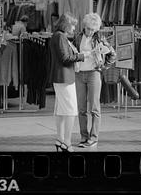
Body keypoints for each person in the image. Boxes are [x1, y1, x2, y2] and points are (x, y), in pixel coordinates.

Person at [73, 13, 116, 148]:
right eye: (88, 29)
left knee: (94, 107)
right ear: (84, 26)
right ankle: (83, 136)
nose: (91, 31)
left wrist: (103, 67)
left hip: (93, 74)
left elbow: (112, 54)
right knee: (81, 108)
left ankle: (94, 137)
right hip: (79, 74)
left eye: (93, 29)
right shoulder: (78, 37)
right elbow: (73, 54)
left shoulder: (100, 38)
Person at [49, 12, 88, 152]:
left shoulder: (58, 36)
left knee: (61, 110)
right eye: (72, 25)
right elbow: (65, 58)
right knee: (71, 111)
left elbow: (63, 57)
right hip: (64, 77)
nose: (73, 28)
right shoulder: (60, 37)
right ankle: (67, 142)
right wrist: (82, 56)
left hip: (61, 77)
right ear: (66, 24)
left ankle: (60, 140)